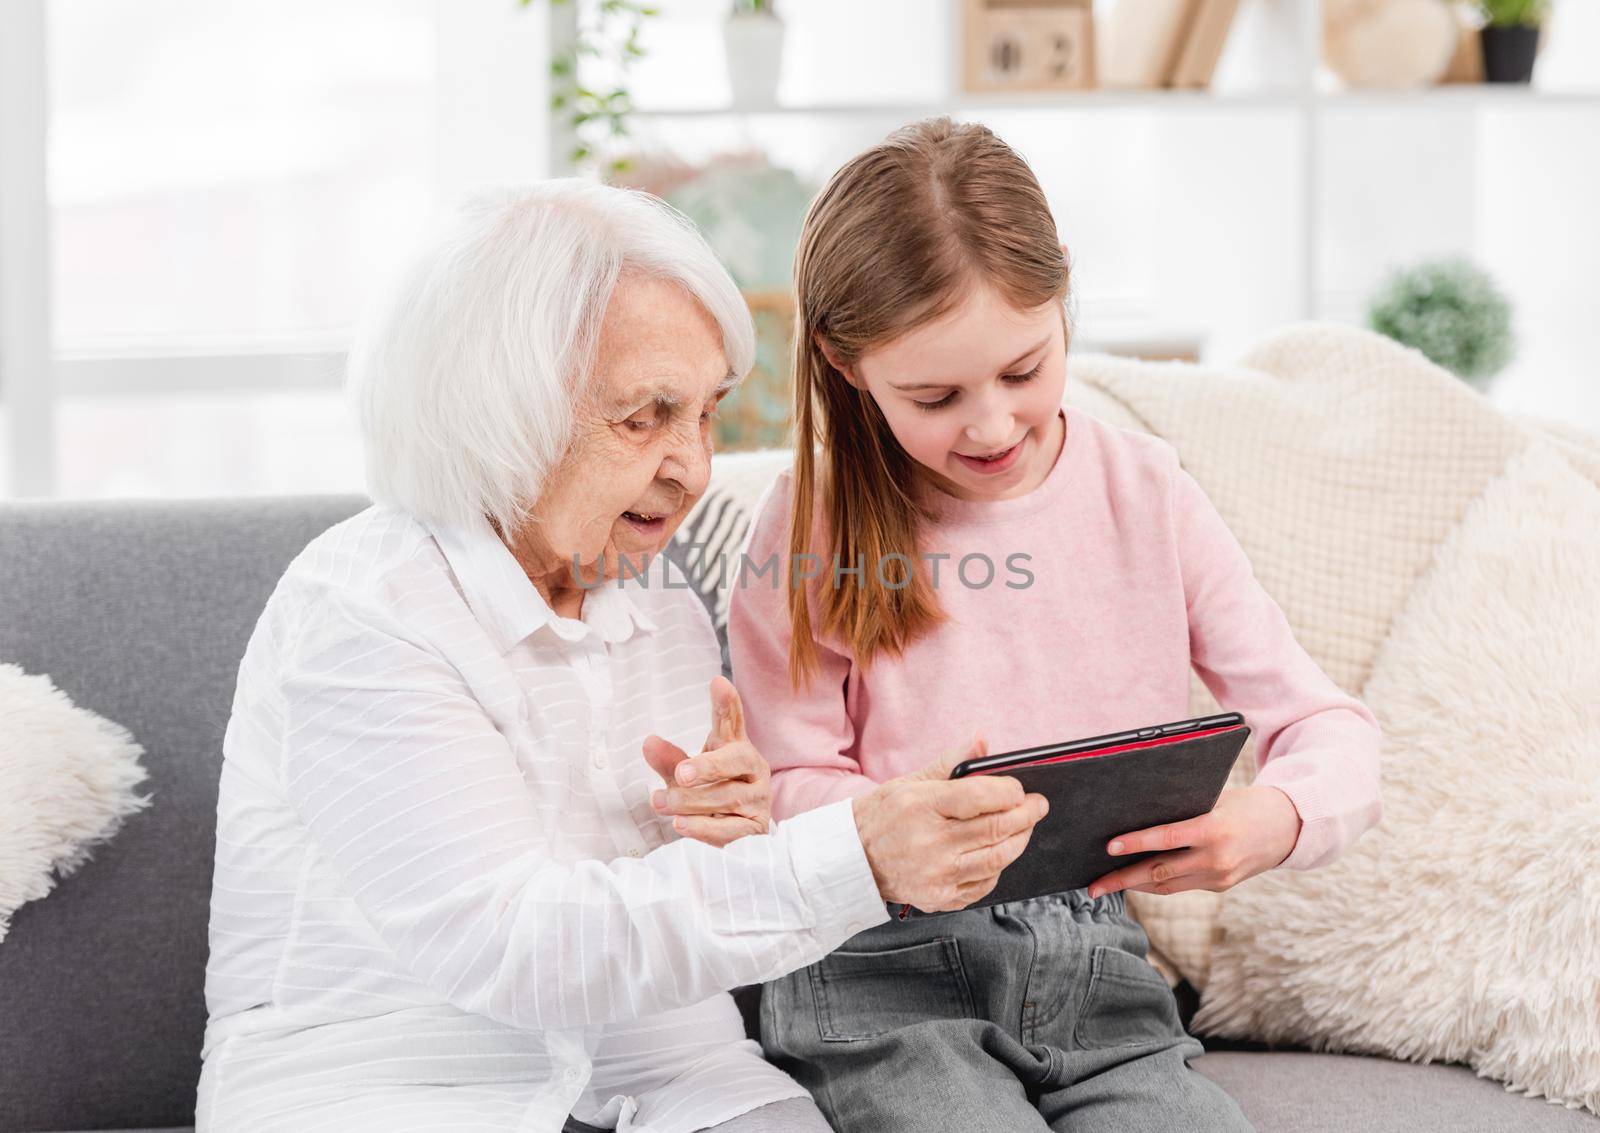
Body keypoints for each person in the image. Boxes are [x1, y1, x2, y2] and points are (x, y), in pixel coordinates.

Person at [196, 179, 1049, 1133]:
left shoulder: (660, 603)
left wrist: (727, 833)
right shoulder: (365, 614)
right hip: (395, 1082)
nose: (692, 467)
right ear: (498, 408)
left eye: (707, 415)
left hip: (664, 1070)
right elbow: (513, 944)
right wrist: (852, 854)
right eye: (645, 416)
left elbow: (684, 921)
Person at [727, 118, 1384, 1132]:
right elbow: (775, 783)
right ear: (844, 362)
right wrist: (891, 824)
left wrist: (1272, 819)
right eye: (934, 395)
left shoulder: (1147, 492)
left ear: (1064, 291)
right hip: (881, 967)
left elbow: (1328, 727)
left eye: (1023, 370)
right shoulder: (810, 522)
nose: (989, 427)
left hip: (1096, 969)